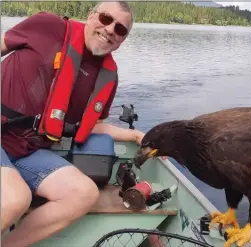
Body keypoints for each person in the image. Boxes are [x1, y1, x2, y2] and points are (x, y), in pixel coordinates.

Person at [0, 2, 144, 246]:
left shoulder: (108, 76)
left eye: (120, 29)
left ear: (122, 41)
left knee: (83, 193)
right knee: (15, 198)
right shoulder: (48, 26)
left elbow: (91, 126)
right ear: (90, 17)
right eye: (106, 19)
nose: (110, 30)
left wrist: (136, 136)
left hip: (29, 151)